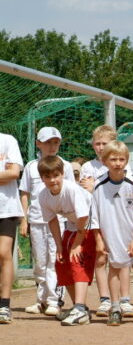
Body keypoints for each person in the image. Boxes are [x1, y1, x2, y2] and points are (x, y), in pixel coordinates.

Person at [90, 140, 133, 325]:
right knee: (114, 268)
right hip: (111, 235)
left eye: (121, 159)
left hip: (132, 236)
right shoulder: (98, 185)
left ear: (126, 160)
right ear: (104, 161)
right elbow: (93, 216)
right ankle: (115, 306)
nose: (117, 163)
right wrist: (99, 240)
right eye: (113, 159)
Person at [19, 127, 74, 317]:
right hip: (36, 220)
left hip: (58, 221)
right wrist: (23, 220)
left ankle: (54, 300)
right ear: (38, 144)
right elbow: (25, 194)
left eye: (56, 142)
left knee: (55, 259)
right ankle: (41, 299)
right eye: (48, 142)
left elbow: (71, 194)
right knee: (40, 262)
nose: (52, 146)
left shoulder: (65, 166)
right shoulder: (30, 167)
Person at [80, 125, 132, 318]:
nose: (101, 147)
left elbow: (125, 189)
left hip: (119, 218)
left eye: (105, 143)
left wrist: (97, 187)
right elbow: (88, 191)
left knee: (122, 258)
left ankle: (125, 299)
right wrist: (96, 188)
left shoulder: (121, 163)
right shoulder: (88, 167)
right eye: (97, 143)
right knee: (100, 257)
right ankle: (105, 299)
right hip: (97, 218)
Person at [38, 155, 95, 326]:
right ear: (42, 178)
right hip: (73, 224)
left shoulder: (72, 189)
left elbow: (84, 217)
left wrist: (77, 244)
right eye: (47, 177)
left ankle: (80, 309)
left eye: (56, 175)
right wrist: (59, 246)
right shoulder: (43, 196)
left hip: (91, 223)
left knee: (77, 260)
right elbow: (52, 220)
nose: (52, 180)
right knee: (61, 263)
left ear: (63, 174)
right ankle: (80, 307)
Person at [0, 132, 24, 324]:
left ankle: (5, 305)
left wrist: (8, 172)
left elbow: (13, 173)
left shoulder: (8, 140)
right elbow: (6, 174)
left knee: (3, 253)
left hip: (6, 209)